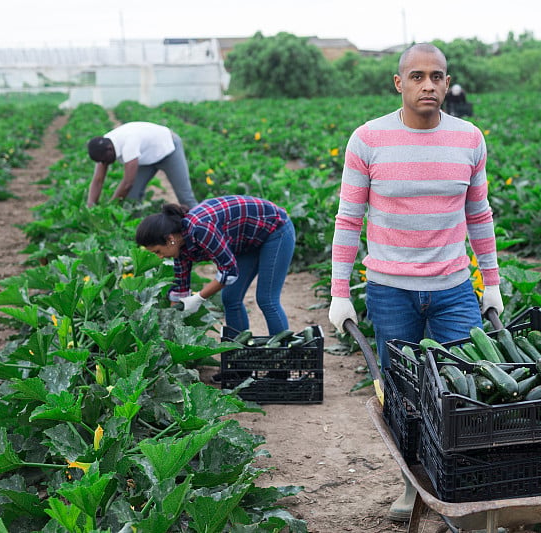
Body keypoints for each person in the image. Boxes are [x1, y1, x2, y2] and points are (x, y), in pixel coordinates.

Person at [327, 42, 503, 523]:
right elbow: (349, 219)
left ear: (448, 83)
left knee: (465, 388)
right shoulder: (367, 139)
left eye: (438, 76)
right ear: (399, 83)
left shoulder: (469, 139)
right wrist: (339, 291)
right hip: (389, 289)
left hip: (452, 287)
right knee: (402, 394)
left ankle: (458, 482)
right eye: (419, 76)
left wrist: (492, 282)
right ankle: (411, 486)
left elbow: (479, 214)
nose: (429, 85)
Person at [135, 195, 296, 338]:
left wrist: (198, 298)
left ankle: (283, 359)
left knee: (266, 299)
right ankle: (238, 356)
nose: (160, 257)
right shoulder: (179, 246)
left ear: (169, 238)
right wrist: (172, 320)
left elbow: (229, 272)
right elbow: (180, 288)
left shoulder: (201, 229)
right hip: (247, 240)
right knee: (230, 298)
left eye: (158, 251)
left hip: (275, 229)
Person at [87, 121, 198, 208]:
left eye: (104, 161)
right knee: (132, 198)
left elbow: (127, 183)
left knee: (185, 197)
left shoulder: (129, 144)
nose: (103, 164)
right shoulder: (102, 147)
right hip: (146, 156)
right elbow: (98, 180)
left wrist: (111, 207)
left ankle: (204, 225)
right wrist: (91, 206)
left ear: (110, 150)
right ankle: (137, 229)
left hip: (168, 149)